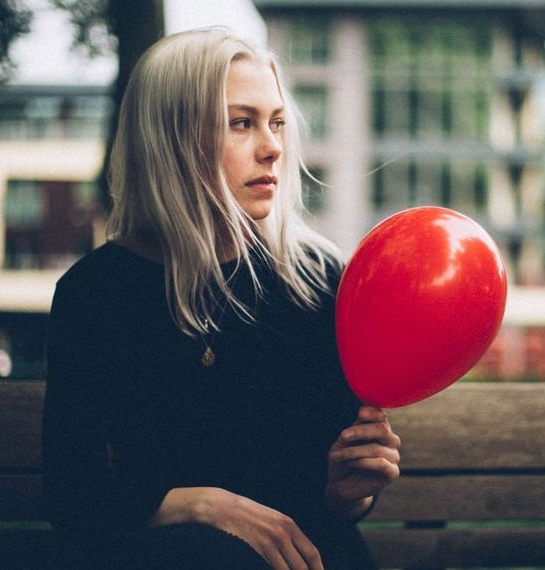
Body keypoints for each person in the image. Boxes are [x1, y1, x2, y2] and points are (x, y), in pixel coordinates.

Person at [41, 28, 401, 570]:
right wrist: (203, 505)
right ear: (172, 136)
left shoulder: (318, 277)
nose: (273, 146)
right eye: (242, 122)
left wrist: (352, 490)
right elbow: (73, 499)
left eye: (277, 121)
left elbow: (331, 501)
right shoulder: (95, 294)